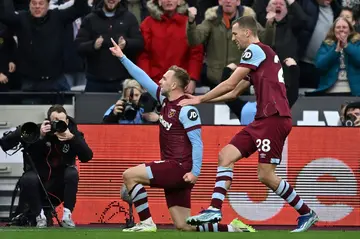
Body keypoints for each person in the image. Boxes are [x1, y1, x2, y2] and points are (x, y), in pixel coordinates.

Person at [179, 16, 318, 233]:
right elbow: (234, 93)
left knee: (265, 175)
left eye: (235, 34)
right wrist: (200, 102)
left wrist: (199, 98)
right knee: (225, 155)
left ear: (246, 32)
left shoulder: (255, 50)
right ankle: (215, 210)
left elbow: (229, 83)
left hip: (274, 118)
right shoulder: (261, 58)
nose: (233, 38)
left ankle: (306, 212)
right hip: (263, 120)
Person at [109, 38, 255, 233]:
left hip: (179, 168)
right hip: (177, 170)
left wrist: (195, 172)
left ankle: (146, 222)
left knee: (129, 175)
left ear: (174, 85)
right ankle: (234, 229)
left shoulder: (187, 109)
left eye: (165, 79)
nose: (160, 80)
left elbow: (198, 143)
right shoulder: (164, 98)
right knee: (184, 226)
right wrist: (122, 57)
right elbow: (143, 77)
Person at [0, 105, 93, 228]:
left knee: (72, 172)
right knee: (28, 177)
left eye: (61, 121)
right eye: (55, 121)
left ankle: (67, 215)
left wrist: (72, 139)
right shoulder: (40, 130)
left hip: (59, 183)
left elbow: (87, 156)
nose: (58, 125)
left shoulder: (73, 133)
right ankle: (40, 216)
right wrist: (39, 136)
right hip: (38, 181)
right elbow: (8, 143)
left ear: (67, 121)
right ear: (48, 121)